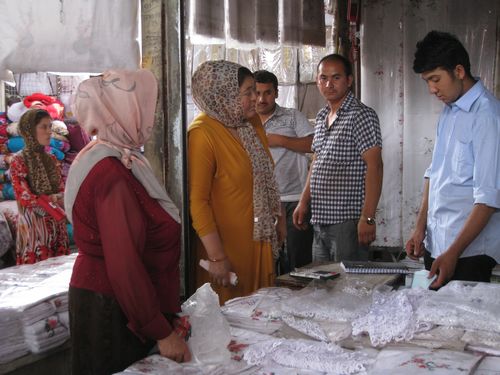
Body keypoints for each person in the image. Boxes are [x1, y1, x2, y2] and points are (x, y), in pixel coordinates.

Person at [65, 69, 190, 374]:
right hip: (112, 306)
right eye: (147, 105)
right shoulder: (111, 172)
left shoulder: (116, 155)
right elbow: (124, 263)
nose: (154, 114)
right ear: (121, 110)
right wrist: (160, 331)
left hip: (115, 299)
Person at [406, 31, 500, 289]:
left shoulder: (488, 117)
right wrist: (420, 228)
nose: (432, 89)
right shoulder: (449, 111)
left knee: (460, 326)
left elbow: (488, 199)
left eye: (435, 79)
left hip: (468, 253)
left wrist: (453, 253)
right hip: (438, 244)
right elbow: (433, 174)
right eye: (426, 81)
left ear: (459, 71)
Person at [188, 60, 282, 305]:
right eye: (248, 92)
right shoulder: (202, 134)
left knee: (262, 318)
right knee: (232, 325)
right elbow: (198, 202)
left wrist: (278, 220)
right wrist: (217, 258)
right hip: (227, 250)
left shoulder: (249, 124)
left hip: (258, 240)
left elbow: (265, 178)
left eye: (256, 90)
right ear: (223, 95)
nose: (255, 98)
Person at [293, 54, 383, 262]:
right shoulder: (323, 115)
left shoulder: (361, 115)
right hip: (320, 219)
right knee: (323, 289)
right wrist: (304, 202)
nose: (328, 84)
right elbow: (317, 161)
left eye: (336, 78)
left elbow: (375, 166)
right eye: (323, 78)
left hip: (348, 222)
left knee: (348, 287)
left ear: (349, 81)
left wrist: (368, 218)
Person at [254, 70, 314, 273]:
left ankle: (301, 303)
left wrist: (280, 140)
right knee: (265, 262)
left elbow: (313, 144)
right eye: (257, 93)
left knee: (299, 261)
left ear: (276, 93)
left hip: (295, 199)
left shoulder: (292, 116)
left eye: (268, 92)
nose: (262, 99)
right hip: (262, 202)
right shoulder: (245, 121)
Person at [10, 108, 69, 264]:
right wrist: (53, 200)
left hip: (56, 227)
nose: (49, 131)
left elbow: (62, 188)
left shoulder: (51, 159)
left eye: (50, 126)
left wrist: (59, 198)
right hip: (34, 229)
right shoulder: (19, 161)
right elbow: (25, 196)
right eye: (44, 127)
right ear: (30, 130)